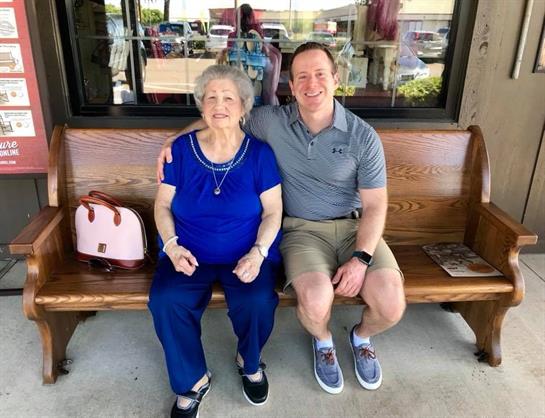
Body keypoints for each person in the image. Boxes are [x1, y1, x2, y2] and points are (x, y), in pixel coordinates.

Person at [157, 42, 405, 395]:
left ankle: (361, 336)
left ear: (336, 79)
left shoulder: (362, 136)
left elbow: (376, 205)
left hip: (354, 227)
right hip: (301, 230)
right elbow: (223, 112)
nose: (311, 83)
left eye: (320, 74)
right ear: (290, 84)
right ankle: (323, 342)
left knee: (392, 303)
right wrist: (175, 139)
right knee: (317, 299)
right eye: (302, 76)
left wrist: (362, 258)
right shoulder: (271, 121)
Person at [149, 64, 283, 418]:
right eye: (211, 98)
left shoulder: (260, 155)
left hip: (245, 252)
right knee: (167, 299)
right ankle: (191, 380)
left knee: (258, 300)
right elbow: (162, 204)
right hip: (187, 252)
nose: (219, 105)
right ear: (201, 105)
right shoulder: (180, 150)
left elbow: (272, 212)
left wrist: (258, 253)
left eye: (228, 98)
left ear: (243, 106)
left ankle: (249, 361)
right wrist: (172, 246)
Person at [224, 3, 281, 105]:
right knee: (264, 92)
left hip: (238, 82)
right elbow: (270, 56)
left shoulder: (232, 36)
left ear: (237, 19)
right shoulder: (257, 35)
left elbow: (229, 56)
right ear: (252, 18)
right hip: (256, 82)